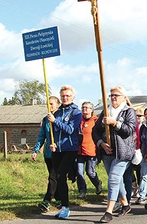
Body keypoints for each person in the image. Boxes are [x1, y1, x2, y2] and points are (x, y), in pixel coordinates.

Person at [92, 86, 137, 223]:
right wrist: (101, 143)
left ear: (124, 97)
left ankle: (109, 211)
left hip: (123, 153)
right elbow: (95, 131)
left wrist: (115, 123)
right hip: (107, 152)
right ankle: (125, 204)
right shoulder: (105, 112)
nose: (113, 98)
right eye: (111, 95)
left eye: (116, 95)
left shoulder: (129, 111)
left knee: (113, 179)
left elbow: (129, 130)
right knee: (116, 181)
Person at [48, 85, 82, 219]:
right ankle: (63, 205)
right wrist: (53, 142)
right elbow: (55, 131)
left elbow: (69, 130)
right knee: (57, 177)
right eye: (63, 96)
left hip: (70, 148)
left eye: (68, 96)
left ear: (73, 97)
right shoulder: (57, 112)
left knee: (62, 175)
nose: (65, 98)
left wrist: (55, 121)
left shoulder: (76, 112)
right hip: (58, 149)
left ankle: (66, 206)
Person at [32, 96, 61, 212]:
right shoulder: (45, 120)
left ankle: (46, 201)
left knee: (53, 177)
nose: (50, 106)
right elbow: (41, 136)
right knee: (54, 177)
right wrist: (35, 150)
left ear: (58, 105)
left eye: (52, 104)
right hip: (48, 154)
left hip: (58, 152)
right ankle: (59, 199)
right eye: (48, 104)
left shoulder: (60, 117)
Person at [76, 101, 102, 199]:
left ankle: (97, 183)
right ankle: (82, 191)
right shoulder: (79, 121)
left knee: (90, 172)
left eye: (87, 107)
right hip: (79, 151)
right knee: (79, 172)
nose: (84, 109)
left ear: (92, 110)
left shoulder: (96, 120)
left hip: (92, 151)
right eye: (83, 107)